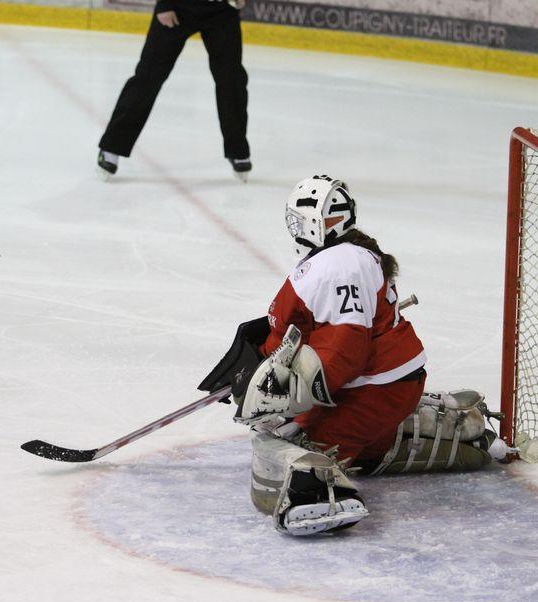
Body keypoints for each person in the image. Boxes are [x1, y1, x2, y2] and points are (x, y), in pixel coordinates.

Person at [200, 175, 512, 536]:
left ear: (317, 223)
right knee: (301, 431)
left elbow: (346, 347)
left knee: (288, 445)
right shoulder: (343, 258)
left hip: (375, 387)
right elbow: (311, 335)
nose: (294, 231)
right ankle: (463, 434)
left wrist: (288, 395)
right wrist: (257, 366)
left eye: (297, 222)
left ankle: (317, 495)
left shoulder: (340, 264)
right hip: (374, 384)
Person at [96, 0, 251, 181]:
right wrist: (164, 4)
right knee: (148, 78)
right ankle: (112, 147)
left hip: (222, 11)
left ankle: (238, 150)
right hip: (178, 8)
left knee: (231, 80)